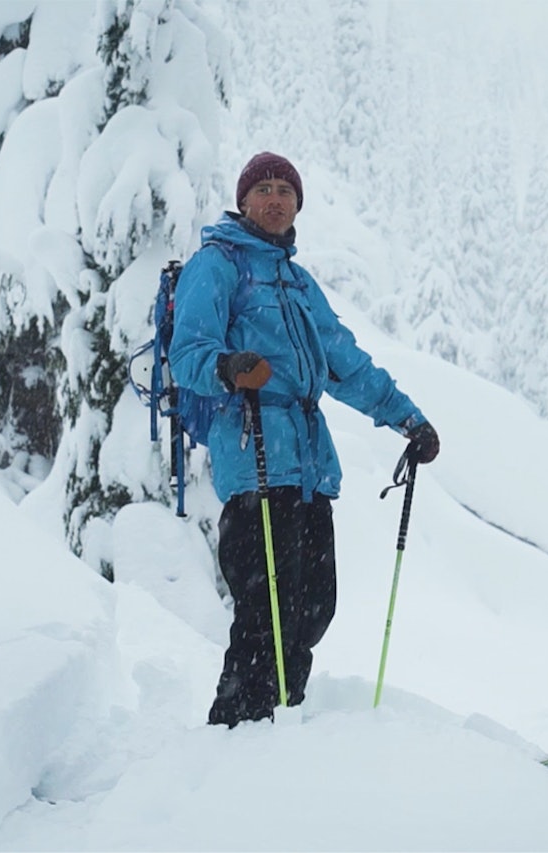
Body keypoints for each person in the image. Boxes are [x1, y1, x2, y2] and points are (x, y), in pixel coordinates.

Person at [169, 151, 440, 727]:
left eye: (284, 191)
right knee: (266, 613)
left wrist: (408, 420)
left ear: (296, 205)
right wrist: (229, 366)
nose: (274, 199)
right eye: (262, 189)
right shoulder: (218, 265)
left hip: (310, 467)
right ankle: (235, 737)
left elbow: (345, 363)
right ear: (243, 202)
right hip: (255, 458)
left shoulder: (297, 283)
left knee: (313, 610)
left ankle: (281, 732)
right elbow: (187, 353)